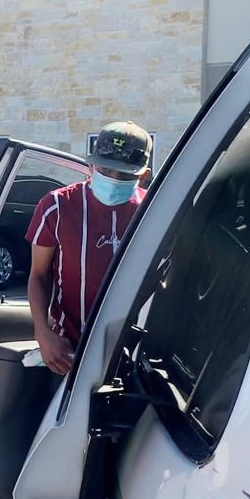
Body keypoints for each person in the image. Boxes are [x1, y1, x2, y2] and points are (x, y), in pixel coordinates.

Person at [26, 121, 153, 375]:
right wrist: (43, 333)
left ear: (143, 175)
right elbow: (39, 275)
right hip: (68, 353)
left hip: (133, 354)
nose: (113, 179)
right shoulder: (57, 206)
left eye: (125, 174)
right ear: (91, 165)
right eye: (106, 170)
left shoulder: (152, 209)